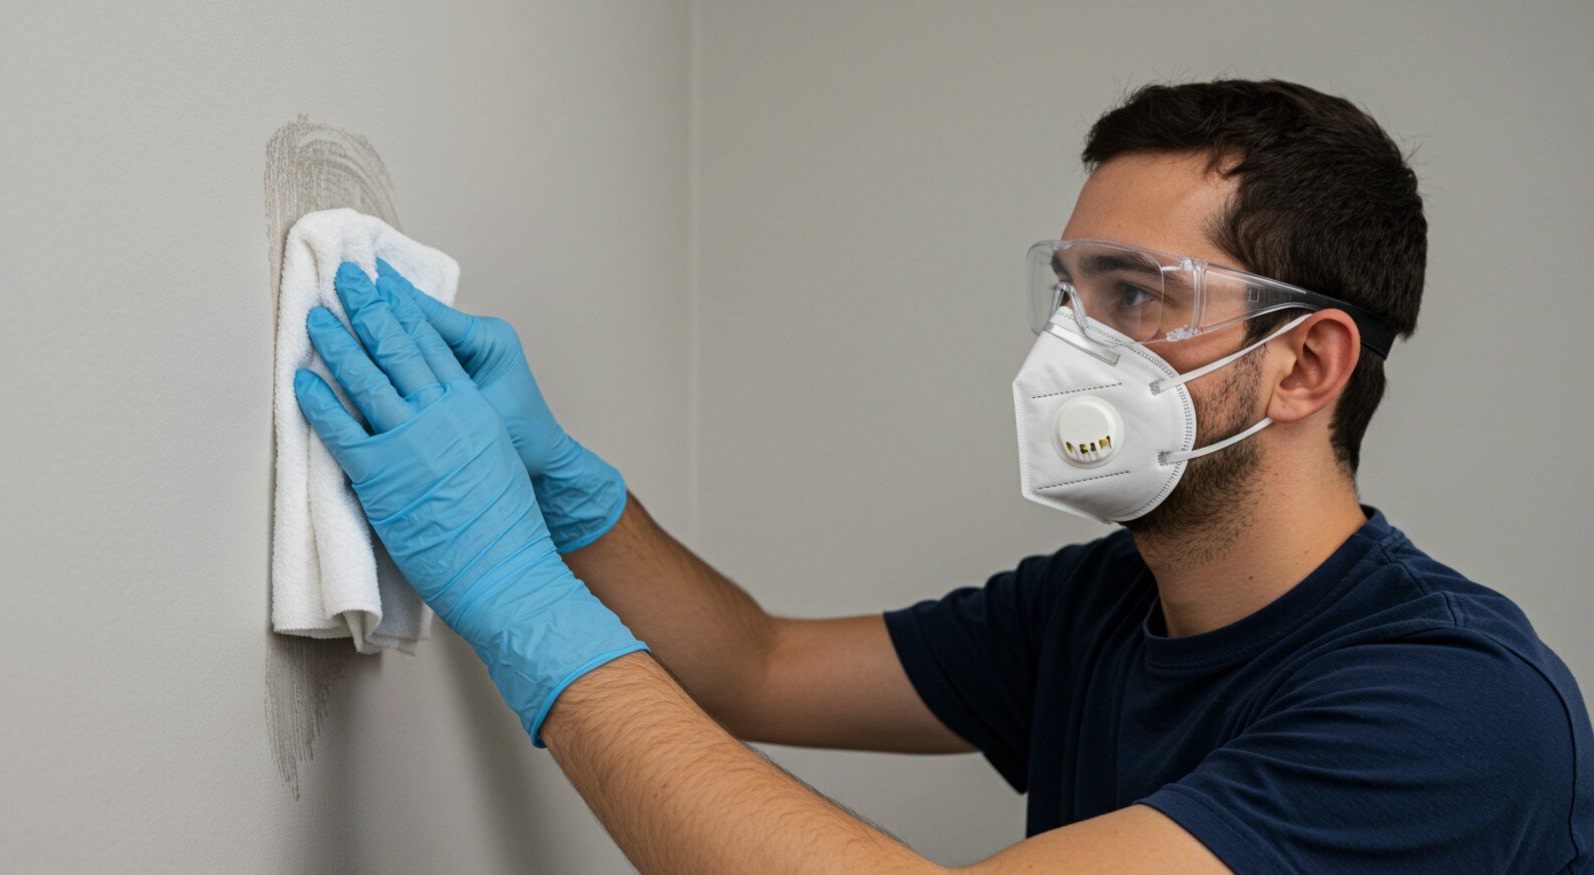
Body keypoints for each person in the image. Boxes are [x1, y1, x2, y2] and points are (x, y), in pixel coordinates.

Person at [291, 79, 1593, 872]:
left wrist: (516, 594)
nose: (1072, 346)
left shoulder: (1457, 710)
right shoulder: (1095, 609)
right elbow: (754, 665)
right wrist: (566, 490)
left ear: (1307, 365)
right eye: (1069, 292)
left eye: (1136, 298)